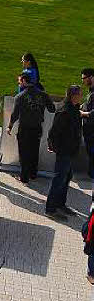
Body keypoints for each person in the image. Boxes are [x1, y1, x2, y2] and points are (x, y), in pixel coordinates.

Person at [7, 70, 54, 183]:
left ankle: (24, 177)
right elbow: (52, 109)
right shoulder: (42, 95)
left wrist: (10, 126)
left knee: (24, 152)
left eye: (19, 82)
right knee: (34, 151)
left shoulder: (20, 96)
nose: (19, 84)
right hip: (37, 127)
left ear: (24, 81)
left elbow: (15, 114)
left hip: (24, 128)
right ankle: (33, 174)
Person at [46, 84, 83, 215]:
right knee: (59, 179)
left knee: (66, 177)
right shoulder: (65, 111)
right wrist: (52, 146)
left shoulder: (73, 108)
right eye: (80, 94)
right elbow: (53, 131)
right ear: (73, 95)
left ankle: (60, 204)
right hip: (64, 150)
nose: (81, 96)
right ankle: (50, 209)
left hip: (71, 150)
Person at [80, 68, 94, 179]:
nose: (83, 81)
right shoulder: (91, 90)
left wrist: (82, 113)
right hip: (89, 130)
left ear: (91, 77)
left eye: (84, 78)